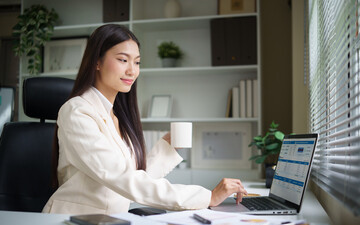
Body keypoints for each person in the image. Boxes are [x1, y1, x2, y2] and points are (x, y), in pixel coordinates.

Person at [42, 24, 247, 214]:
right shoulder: (76, 111)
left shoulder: (116, 115)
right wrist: (206, 197)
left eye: (137, 62)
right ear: (97, 61)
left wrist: (168, 148)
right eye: (123, 60)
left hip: (109, 222)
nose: (132, 70)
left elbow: (134, 177)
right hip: (73, 222)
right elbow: (123, 179)